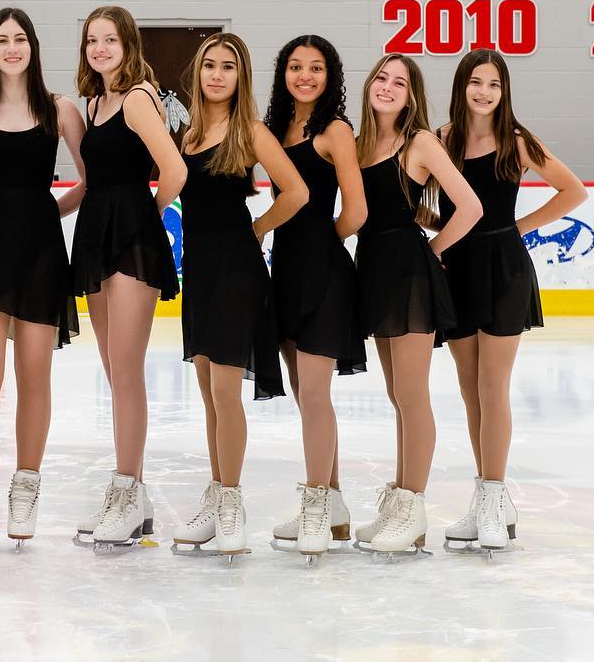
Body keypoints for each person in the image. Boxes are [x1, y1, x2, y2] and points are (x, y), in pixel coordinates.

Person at [0, 8, 86, 548]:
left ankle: (25, 487)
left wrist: (53, 211)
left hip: (41, 256)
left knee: (35, 380)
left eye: (20, 38)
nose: (11, 48)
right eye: (2, 39)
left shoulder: (60, 110)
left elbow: (94, 180)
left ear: (33, 46)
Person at [438, 49, 586, 552]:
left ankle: (495, 498)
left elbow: (573, 192)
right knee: (469, 389)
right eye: (475, 82)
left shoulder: (517, 142)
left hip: (503, 269)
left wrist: (517, 228)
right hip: (456, 268)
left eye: (494, 85)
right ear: (461, 87)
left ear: (504, 93)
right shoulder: (441, 140)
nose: (484, 92)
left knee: (492, 384)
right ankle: (486, 498)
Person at [170, 33, 306, 558]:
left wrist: (258, 229)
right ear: (198, 72)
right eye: (210, 65)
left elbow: (296, 191)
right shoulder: (185, 135)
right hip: (199, 271)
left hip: (236, 269)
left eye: (229, 66)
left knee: (225, 391)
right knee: (208, 391)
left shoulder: (250, 131)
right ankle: (217, 489)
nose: (218, 74)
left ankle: (231, 502)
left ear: (240, 75)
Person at [352, 53, 481, 555]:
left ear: (411, 95)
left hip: (408, 274)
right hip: (374, 271)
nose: (387, 86)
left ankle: (414, 507)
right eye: (380, 76)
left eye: (399, 82)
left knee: (413, 394)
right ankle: (400, 501)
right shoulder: (360, 144)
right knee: (396, 395)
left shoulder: (419, 142)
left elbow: (469, 207)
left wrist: (431, 251)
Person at [69, 6, 187, 550]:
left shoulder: (139, 97)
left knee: (127, 369)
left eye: (109, 40)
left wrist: (142, 216)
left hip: (131, 239)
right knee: (112, 371)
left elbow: (176, 170)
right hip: (95, 234)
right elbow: (92, 182)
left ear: (128, 44)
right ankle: (131, 493)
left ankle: (126, 487)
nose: (99, 49)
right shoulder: (93, 104)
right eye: (92, 40)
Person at [263, 36, 368, 556]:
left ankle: (317, 502)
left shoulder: (335, 130)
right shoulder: (273, 130)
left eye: (317, 68)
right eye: (296, 67)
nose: (305, 76)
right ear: (283, 73)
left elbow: (357, 209)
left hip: (323, 271)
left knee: (315, 393)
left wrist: (326, 246)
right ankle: (336, 503)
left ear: (331, 77)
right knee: (303, 389)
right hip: (285, 270)